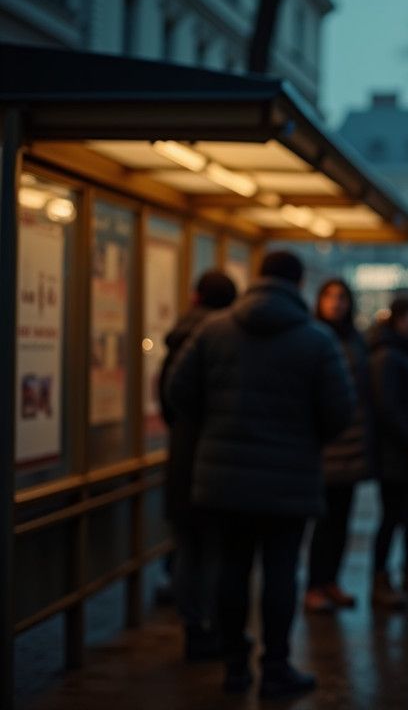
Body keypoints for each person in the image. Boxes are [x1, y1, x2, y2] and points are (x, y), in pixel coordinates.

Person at [165, 250, 353, 700]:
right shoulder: (317, 341)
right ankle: (275, 666)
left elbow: (177, 393)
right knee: (281, 571)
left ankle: (234, 666)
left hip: (224, 480)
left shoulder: (214, 331)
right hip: (289, 479)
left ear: (257, 278)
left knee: (232, 567)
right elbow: (340, 412)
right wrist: (306, 437)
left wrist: (215, 426)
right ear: (299, 282)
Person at [158, 269, 237, 662]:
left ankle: (194, 627)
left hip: (184, 454)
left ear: (195, 297)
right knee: (218, 549)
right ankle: (215, 628)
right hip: (220, 458)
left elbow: (168, 397)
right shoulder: (229, 340)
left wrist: (187, 427)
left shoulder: (178, 338)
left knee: (188, 546)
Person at [304, 279, 373, 613]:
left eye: (342, 297)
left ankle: (331, 580)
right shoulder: (313, 336)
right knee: (322, 519)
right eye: (329, 296)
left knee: (342, 519)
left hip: (352, 441)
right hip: (325, 443)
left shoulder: (355, 339)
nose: (336, 303)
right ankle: (315, 584)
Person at [369, 293, 408, 607]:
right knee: (391, 517)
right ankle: (380, 578)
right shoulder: (389, 356)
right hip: (396, 452)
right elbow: (387, 407)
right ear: (400, 319)